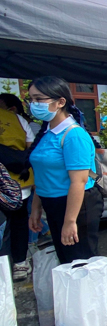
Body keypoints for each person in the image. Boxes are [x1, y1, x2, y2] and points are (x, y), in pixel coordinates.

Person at [23, 77, 103, 265]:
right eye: (31, 99)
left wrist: (70, 221)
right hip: (53, 203)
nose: (33, 104)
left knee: (80, 262)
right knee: (66, 261)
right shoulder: (47, 133)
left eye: (39, 99)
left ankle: (86, 296)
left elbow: (78, 181)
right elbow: (42, 175)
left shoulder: (73, 135)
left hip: (76, 205)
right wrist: (36, 208)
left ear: (60, 102)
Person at [0, 97, 35, 281]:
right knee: (19, 223)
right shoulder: (18, 120)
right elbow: (29, 148)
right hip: (17, 182)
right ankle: (20, 262)